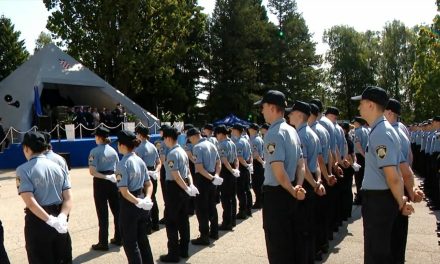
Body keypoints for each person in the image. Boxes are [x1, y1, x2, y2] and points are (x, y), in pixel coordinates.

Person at [351, 86, 414, 263]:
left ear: (371, 105)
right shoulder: (383, 130)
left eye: (361, 103)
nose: (359, 108)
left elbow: (393, 176)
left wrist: (402, 203)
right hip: (382, 200)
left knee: (376, 254)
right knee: (384, 251)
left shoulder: (380, 133)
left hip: (379, 202)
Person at [254, 90, 306, 263]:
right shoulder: (292, 131)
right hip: (290, 190)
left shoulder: (274, 133)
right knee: (291, 242)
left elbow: (278, 170)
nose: (262, 111)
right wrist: (297, 186)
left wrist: (292, 190)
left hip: (278, 195)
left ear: (271, 107)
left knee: (277, 246)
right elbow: (301, 164)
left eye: (263, 107)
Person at [16, 131, 72, 263]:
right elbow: (68, 198)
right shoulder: (58, 167)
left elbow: (30, 202)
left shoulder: (23, 170)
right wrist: (62, 217)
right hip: (60, 218)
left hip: (38, 220)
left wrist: (50, 220)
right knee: (62, 258)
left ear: (27, 148)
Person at [385, 98, 425, 263]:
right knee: (398, 236)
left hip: (396, 189)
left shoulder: (392, 133)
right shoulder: (400, 129)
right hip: (401, 187)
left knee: (394, 237)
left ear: (389, 113)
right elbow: (410, 158)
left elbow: (401, 167)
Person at [287, 101, 326, 263]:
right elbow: (316, 163)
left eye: (291, 113)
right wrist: (318, 181)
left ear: (299, 115)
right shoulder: (311, 133)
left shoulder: (301, 135)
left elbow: (303, 165)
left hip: (305, 185)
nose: (288, 115)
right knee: (309, 226)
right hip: (312, 183)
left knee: (302, 229)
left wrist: (315, 183)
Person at [160, 126, 199, 263]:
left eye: (164, 138)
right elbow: (188, 171)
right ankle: (184, 249)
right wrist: (190, 186)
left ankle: (173, 253)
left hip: (174, 189)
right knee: (183, 220)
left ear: (168, 138)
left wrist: (185, 187)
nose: (163, 141)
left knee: (171, 221)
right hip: (184, 187)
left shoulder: (172, 154)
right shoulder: (182, 151)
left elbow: (176, 176)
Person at [115, 130, 154, 264]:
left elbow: (124, 192)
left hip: (130, 204)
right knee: (142, 239)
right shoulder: (140, 161)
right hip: (141, 199)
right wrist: (147, 198)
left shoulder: (122, 164)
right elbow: (148, 184)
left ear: (122, 145)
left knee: (130, 243)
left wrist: (138, 201)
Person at [187, 127, 222, 245]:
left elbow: (199, 168)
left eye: (190, 139)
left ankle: (204, 236)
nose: (190, 141)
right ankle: (215, 232)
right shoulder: (212, 144)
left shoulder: (197, 147)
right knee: (212, 205)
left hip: (203, 179)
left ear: (193, 137)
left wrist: (211, 178)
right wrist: (215, 176)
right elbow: (219, 162)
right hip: (212, 178)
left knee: (201, 209)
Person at [88, 127, 121, 250]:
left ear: (99, 137)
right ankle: (119, 237)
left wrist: (105, 177)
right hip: (113, 181)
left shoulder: (94, 151)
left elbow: (92, 172)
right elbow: (118, 167)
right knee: (117, 211)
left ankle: (103, 242)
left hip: (101, 182)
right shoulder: (113, 151)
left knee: (102, 214)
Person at [135, 125, 162, 233]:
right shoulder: (153, 146)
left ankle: (148, 225)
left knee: (145, 199)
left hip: (144, 175)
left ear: (140, 135)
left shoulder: (140, 148)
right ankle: (155, 223)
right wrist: (156, 171)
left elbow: (138, 165)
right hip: (152, 173)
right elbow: (159, 162)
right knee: (152, 198)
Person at [215, 125, 240, 230]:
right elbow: (236, 159)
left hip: (226, 171)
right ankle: (233, 220)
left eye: (217, 134)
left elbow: (224, 160)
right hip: (233, 170)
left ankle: (227, 222)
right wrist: (236, 169)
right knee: (232, 197)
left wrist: (231, 170)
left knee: (225, 198)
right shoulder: (232, 143)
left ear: (221, 134)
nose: (216, 136)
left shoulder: (222, 145)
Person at [231, 123, 253, 218]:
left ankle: (242, 211)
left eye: (233, 130)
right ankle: (248, 209)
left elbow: (239, 157)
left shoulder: (239, 142)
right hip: (246, 166)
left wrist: (246, 165)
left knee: (241, 191)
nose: (231, 132)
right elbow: (251, 154)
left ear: (236, 131)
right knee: (247, 189)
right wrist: (249, 165)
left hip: (242, 167)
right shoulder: (245, 140)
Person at [353, 116, 369, 205]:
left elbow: (358, 145)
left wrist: (363, 155)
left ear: (357, 123)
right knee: (364, 177)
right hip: (366, 155)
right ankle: (365, 196)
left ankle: (359, 198)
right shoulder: (367, 130)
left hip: (360, 156)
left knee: (358, 178)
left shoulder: (358, 131)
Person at [248, 123, 265, 209]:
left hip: (257, 162)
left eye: (250, 128)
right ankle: (260, 201)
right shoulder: (259, 139)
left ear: (254, 130)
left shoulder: (255, 140)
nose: (248, 129)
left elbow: (255, 154)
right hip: (259, 162)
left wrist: (261, 162)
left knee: (256, 184)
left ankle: (259, 202)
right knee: (259, 183)